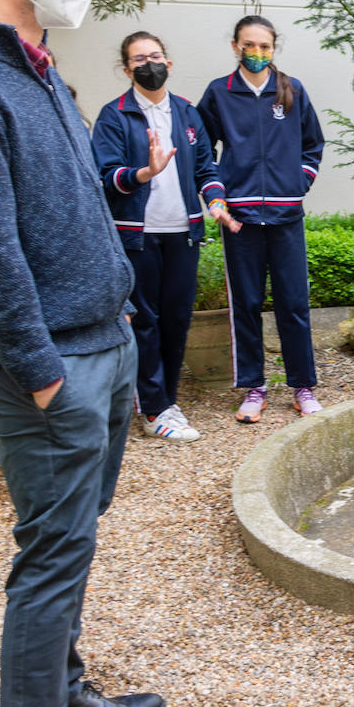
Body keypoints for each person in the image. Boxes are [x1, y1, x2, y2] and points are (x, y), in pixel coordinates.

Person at [0, 0, 164, 707]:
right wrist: (39, 374)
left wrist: (122, 316)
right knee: (52, 555)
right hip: (52, 364)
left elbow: (73, 209)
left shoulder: (38, 71)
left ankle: (66, 692)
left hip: (104, 342)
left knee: (73, 539)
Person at [91, 31, 241, 442]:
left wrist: (216, 205)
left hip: (183, 232)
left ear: (169, 64)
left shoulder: (188, 114)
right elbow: (106, 177)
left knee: (176, 320)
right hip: (137, 236)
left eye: (154, 56)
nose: (148, 64)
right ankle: (154, 408)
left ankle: (165, 400)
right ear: (127, 69)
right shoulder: (114, 115)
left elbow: (206, 170)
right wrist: (145, 172)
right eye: (139, 59)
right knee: (145, 322)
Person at [196, 15, 324, 423]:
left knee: (293, 303)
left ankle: (302, 386)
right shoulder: (219, 93)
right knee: (246, 304)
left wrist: (298, 183)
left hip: (286, 216)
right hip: (240, 219)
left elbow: (313, 144)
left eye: (264, 46)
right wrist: (217, 197)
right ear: (235, 46)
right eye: (249, 45)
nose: (256, 53)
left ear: (274, 48)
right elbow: (203, 154)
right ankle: (254, 387)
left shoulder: (292, 90)